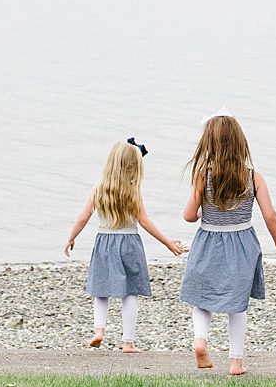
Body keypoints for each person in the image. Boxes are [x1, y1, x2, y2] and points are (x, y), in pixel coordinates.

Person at [179, 113, 276, 376]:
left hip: (208, 241)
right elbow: (270, 215)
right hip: (241, 244)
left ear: (209, 144)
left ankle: (200, 341)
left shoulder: (202, 177)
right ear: (241, 143)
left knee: (202, 299)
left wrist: (200, 211)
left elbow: (188, 215)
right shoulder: (253, 178)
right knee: (237, 304)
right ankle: (236, 363)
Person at [64, 137, 186, 351]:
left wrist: (71, 238)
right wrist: (167, 242)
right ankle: (128, 342)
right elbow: (145, 221)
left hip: (104, 242)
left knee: (101, 289)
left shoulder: (98, 189)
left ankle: (99, 330)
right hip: (129, 243)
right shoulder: (133, 191)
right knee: (130, 292)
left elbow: (83, 217)